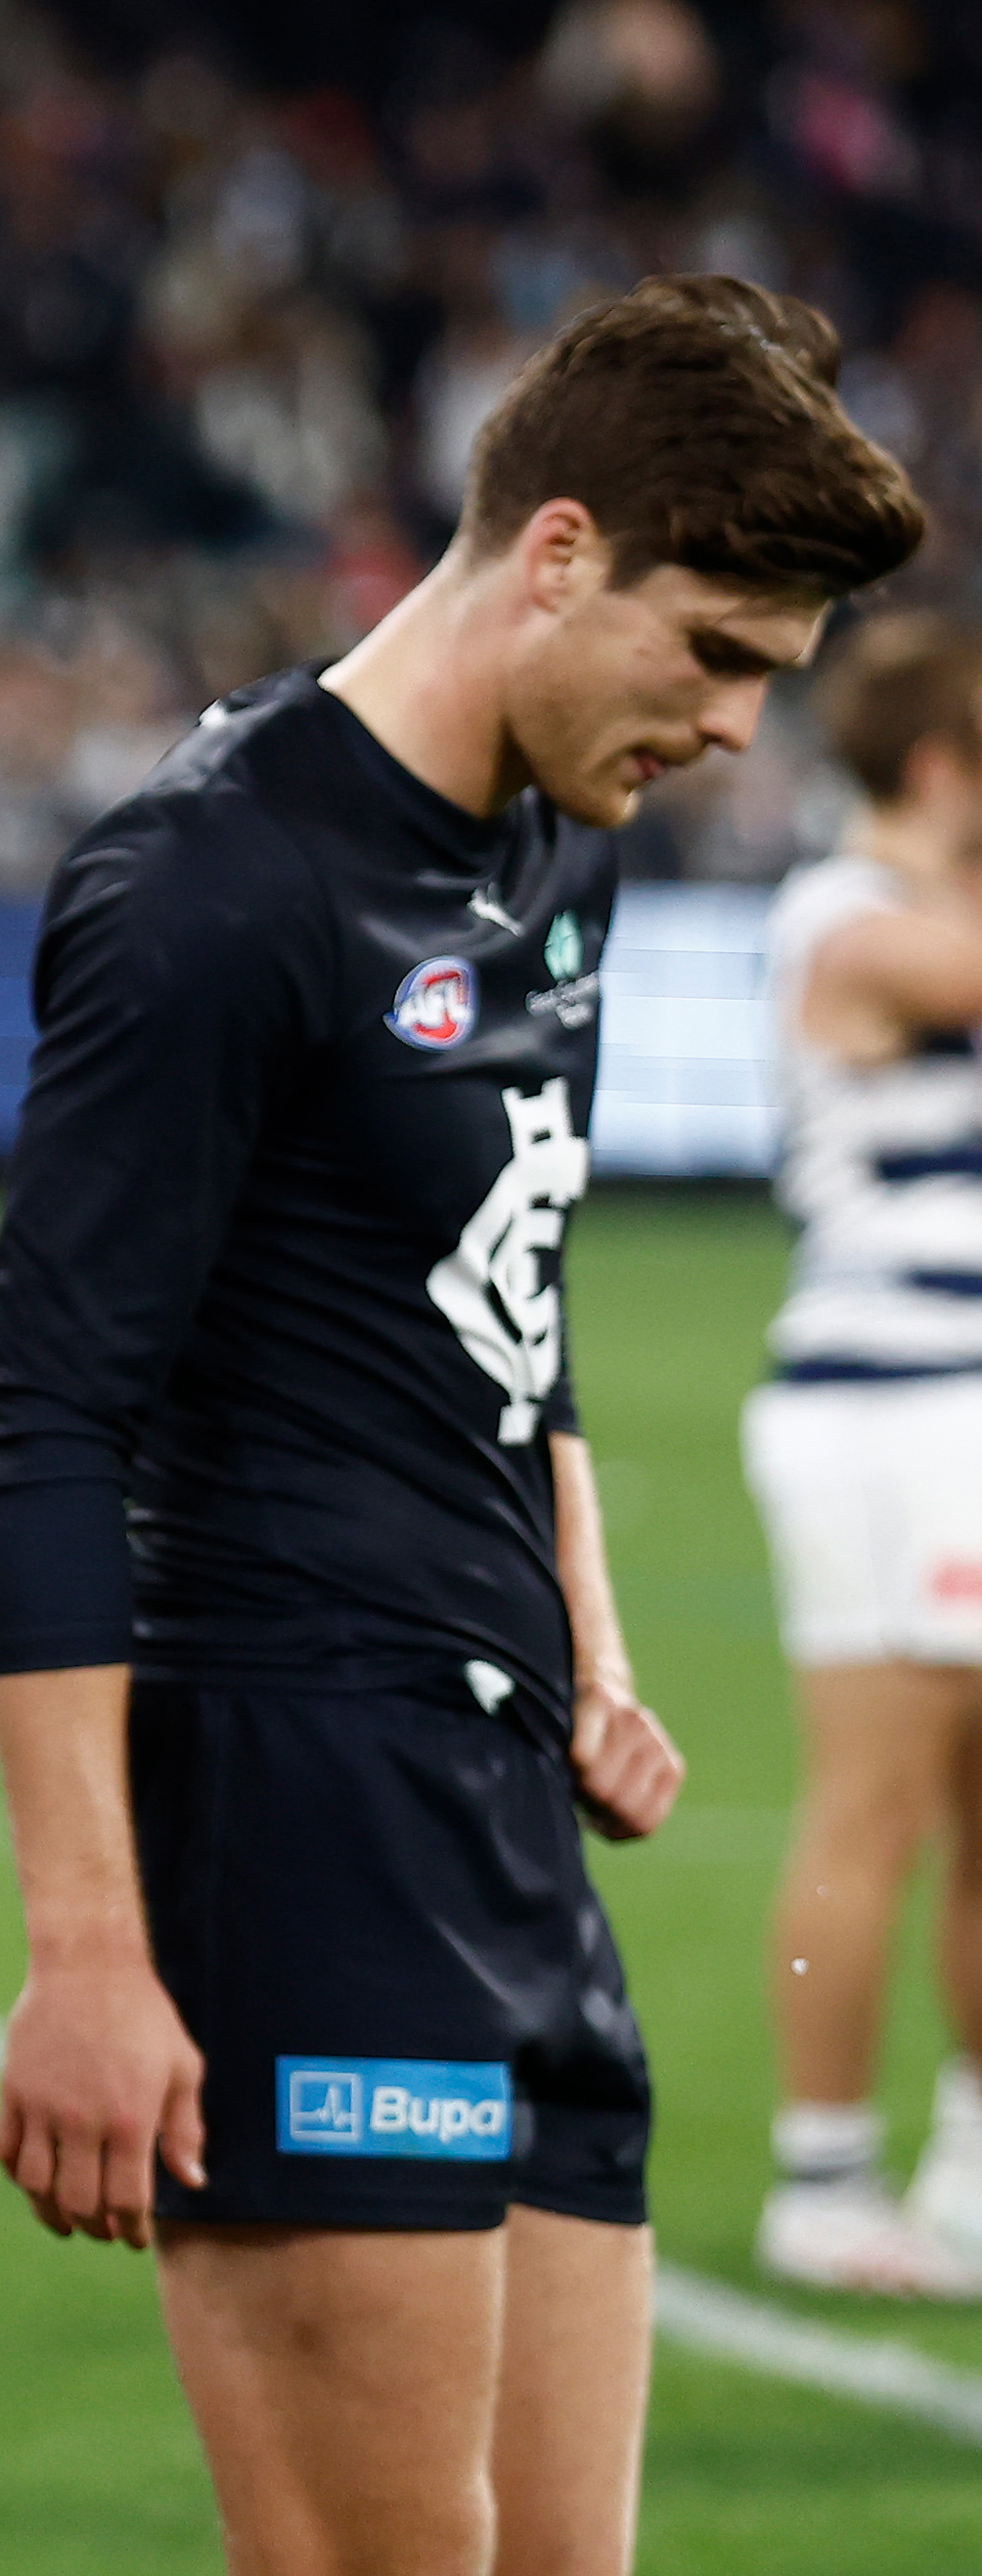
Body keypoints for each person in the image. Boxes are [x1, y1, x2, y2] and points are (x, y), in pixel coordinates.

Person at [0, 274, 920, 2576]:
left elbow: (519, 1269)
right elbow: (39, 1417)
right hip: (288, 1811)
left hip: (502, 1820)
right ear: (555, 550)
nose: (730, 731)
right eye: (709, 659)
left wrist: (579, 1619)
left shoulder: (552, 849)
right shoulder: (205, 883)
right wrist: (85, 1946)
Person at [744, 610, 982, 2298]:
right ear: (938, 768)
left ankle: (967, 2163)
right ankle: (820, 2173)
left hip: (946, 1400)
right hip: (887, 1404)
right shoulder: (845, 914)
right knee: (876, 1799)